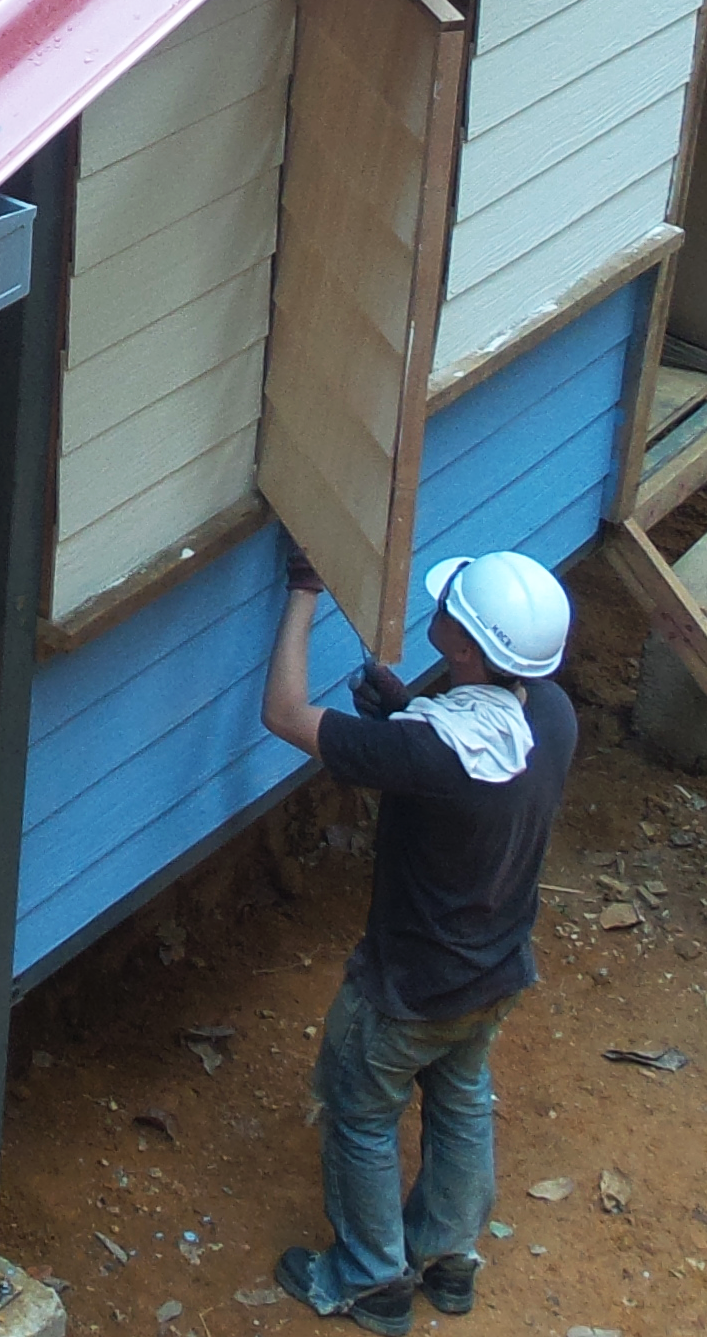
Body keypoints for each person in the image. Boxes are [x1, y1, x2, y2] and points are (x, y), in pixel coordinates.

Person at [260, 546, 580, 1331]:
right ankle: (447, 1259)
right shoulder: (552, 716)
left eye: (452, 609)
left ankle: (372, 1281)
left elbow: (285, 714)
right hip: (494, 973)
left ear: (464, 646)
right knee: (462, 1098)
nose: (438, 610)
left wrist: (304, 591)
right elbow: (462, 776)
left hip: (408, 990)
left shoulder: (425, 751)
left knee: (362, 1111)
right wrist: (401, 710)